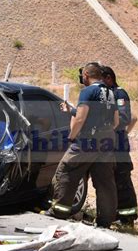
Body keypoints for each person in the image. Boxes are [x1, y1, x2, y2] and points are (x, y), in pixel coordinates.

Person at [43, 62, 119, 228]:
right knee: (104, 180)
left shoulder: (88, 91)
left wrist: (72, 137)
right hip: (107, 141)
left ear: (86, 75)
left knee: (66, 171)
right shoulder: (110, 93)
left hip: (87, 141)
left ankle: (59, 211)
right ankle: (105, 220)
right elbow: (115, 121)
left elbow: (80, 118)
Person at [101, 66, 138, 225]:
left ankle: (128, 217)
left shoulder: (119, 94)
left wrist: (121, 133)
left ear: (109, 78)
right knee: (111, 179)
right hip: (109, 143)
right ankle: (115, 213)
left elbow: (126, 118)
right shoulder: (106, 95)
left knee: (122, 178)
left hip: (119, 144)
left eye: (102, 80)